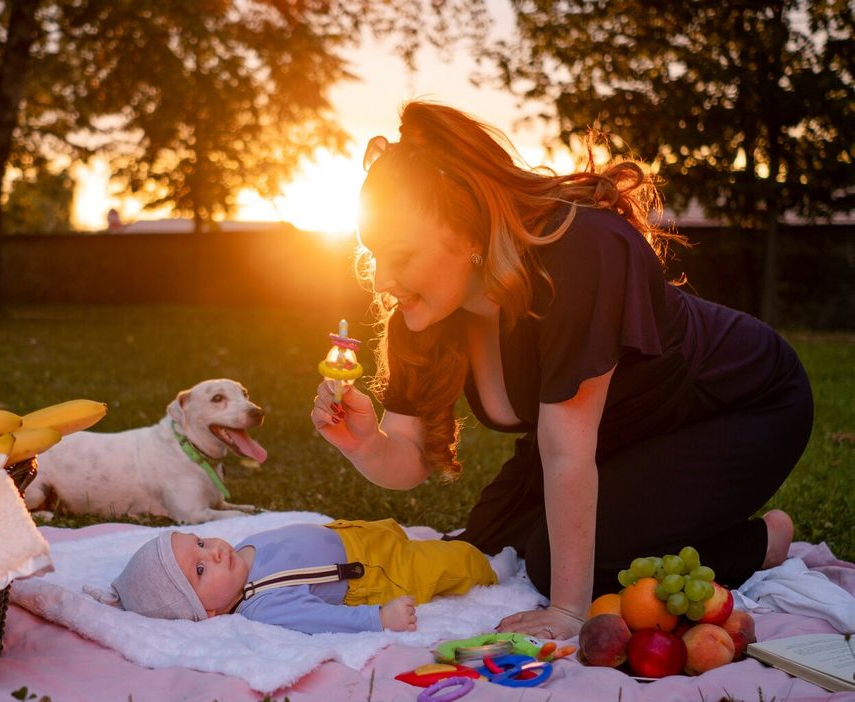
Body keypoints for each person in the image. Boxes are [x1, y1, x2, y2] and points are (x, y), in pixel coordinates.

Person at [310, 101, 813, 642]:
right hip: (617, 430)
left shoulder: (578, 254)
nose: (382, 279)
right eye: (375, 255)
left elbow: (565, 451)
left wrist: (569, 612)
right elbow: (409, 457)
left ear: (471, 232)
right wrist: (363, 444)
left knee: (559, 568)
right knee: (487, 543)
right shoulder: (424, 312)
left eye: (402, 255)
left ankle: (762, 541)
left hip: (739, 405)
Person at [86, 518, 497, 634]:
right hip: (377, 572)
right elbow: (322, 619)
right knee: (454, 562)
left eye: (197, 542)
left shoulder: (238, 558)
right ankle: (497, 568)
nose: (211, 551)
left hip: (355, 536)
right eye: (199, 569)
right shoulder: (264, 604)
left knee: (407, 536)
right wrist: (379, 618)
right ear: (207, 612)